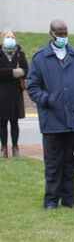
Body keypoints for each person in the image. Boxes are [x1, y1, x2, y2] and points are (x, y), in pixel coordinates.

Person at [27, 19, 74, 211]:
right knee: (53, 162)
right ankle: (51, 200)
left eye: (65, 34)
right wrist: (49, 99)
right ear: (51, 34)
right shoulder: (40, 58)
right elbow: (33, 87)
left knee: (68, 161)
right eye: (59, 34)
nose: (63, 37)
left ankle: (68, 199)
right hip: (52, 119)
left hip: (72, 118)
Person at [0, 28, 28, 158]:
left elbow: (26, 69)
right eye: (7, 37)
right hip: (2, 92)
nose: (10, 39)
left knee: (14, 122)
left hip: (16, 92)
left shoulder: (20, 54)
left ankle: (15, 147)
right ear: (3, 39)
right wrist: (11, 73)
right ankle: (4, 147)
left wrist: (22, 72)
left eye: (12, 37)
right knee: (2, 122)